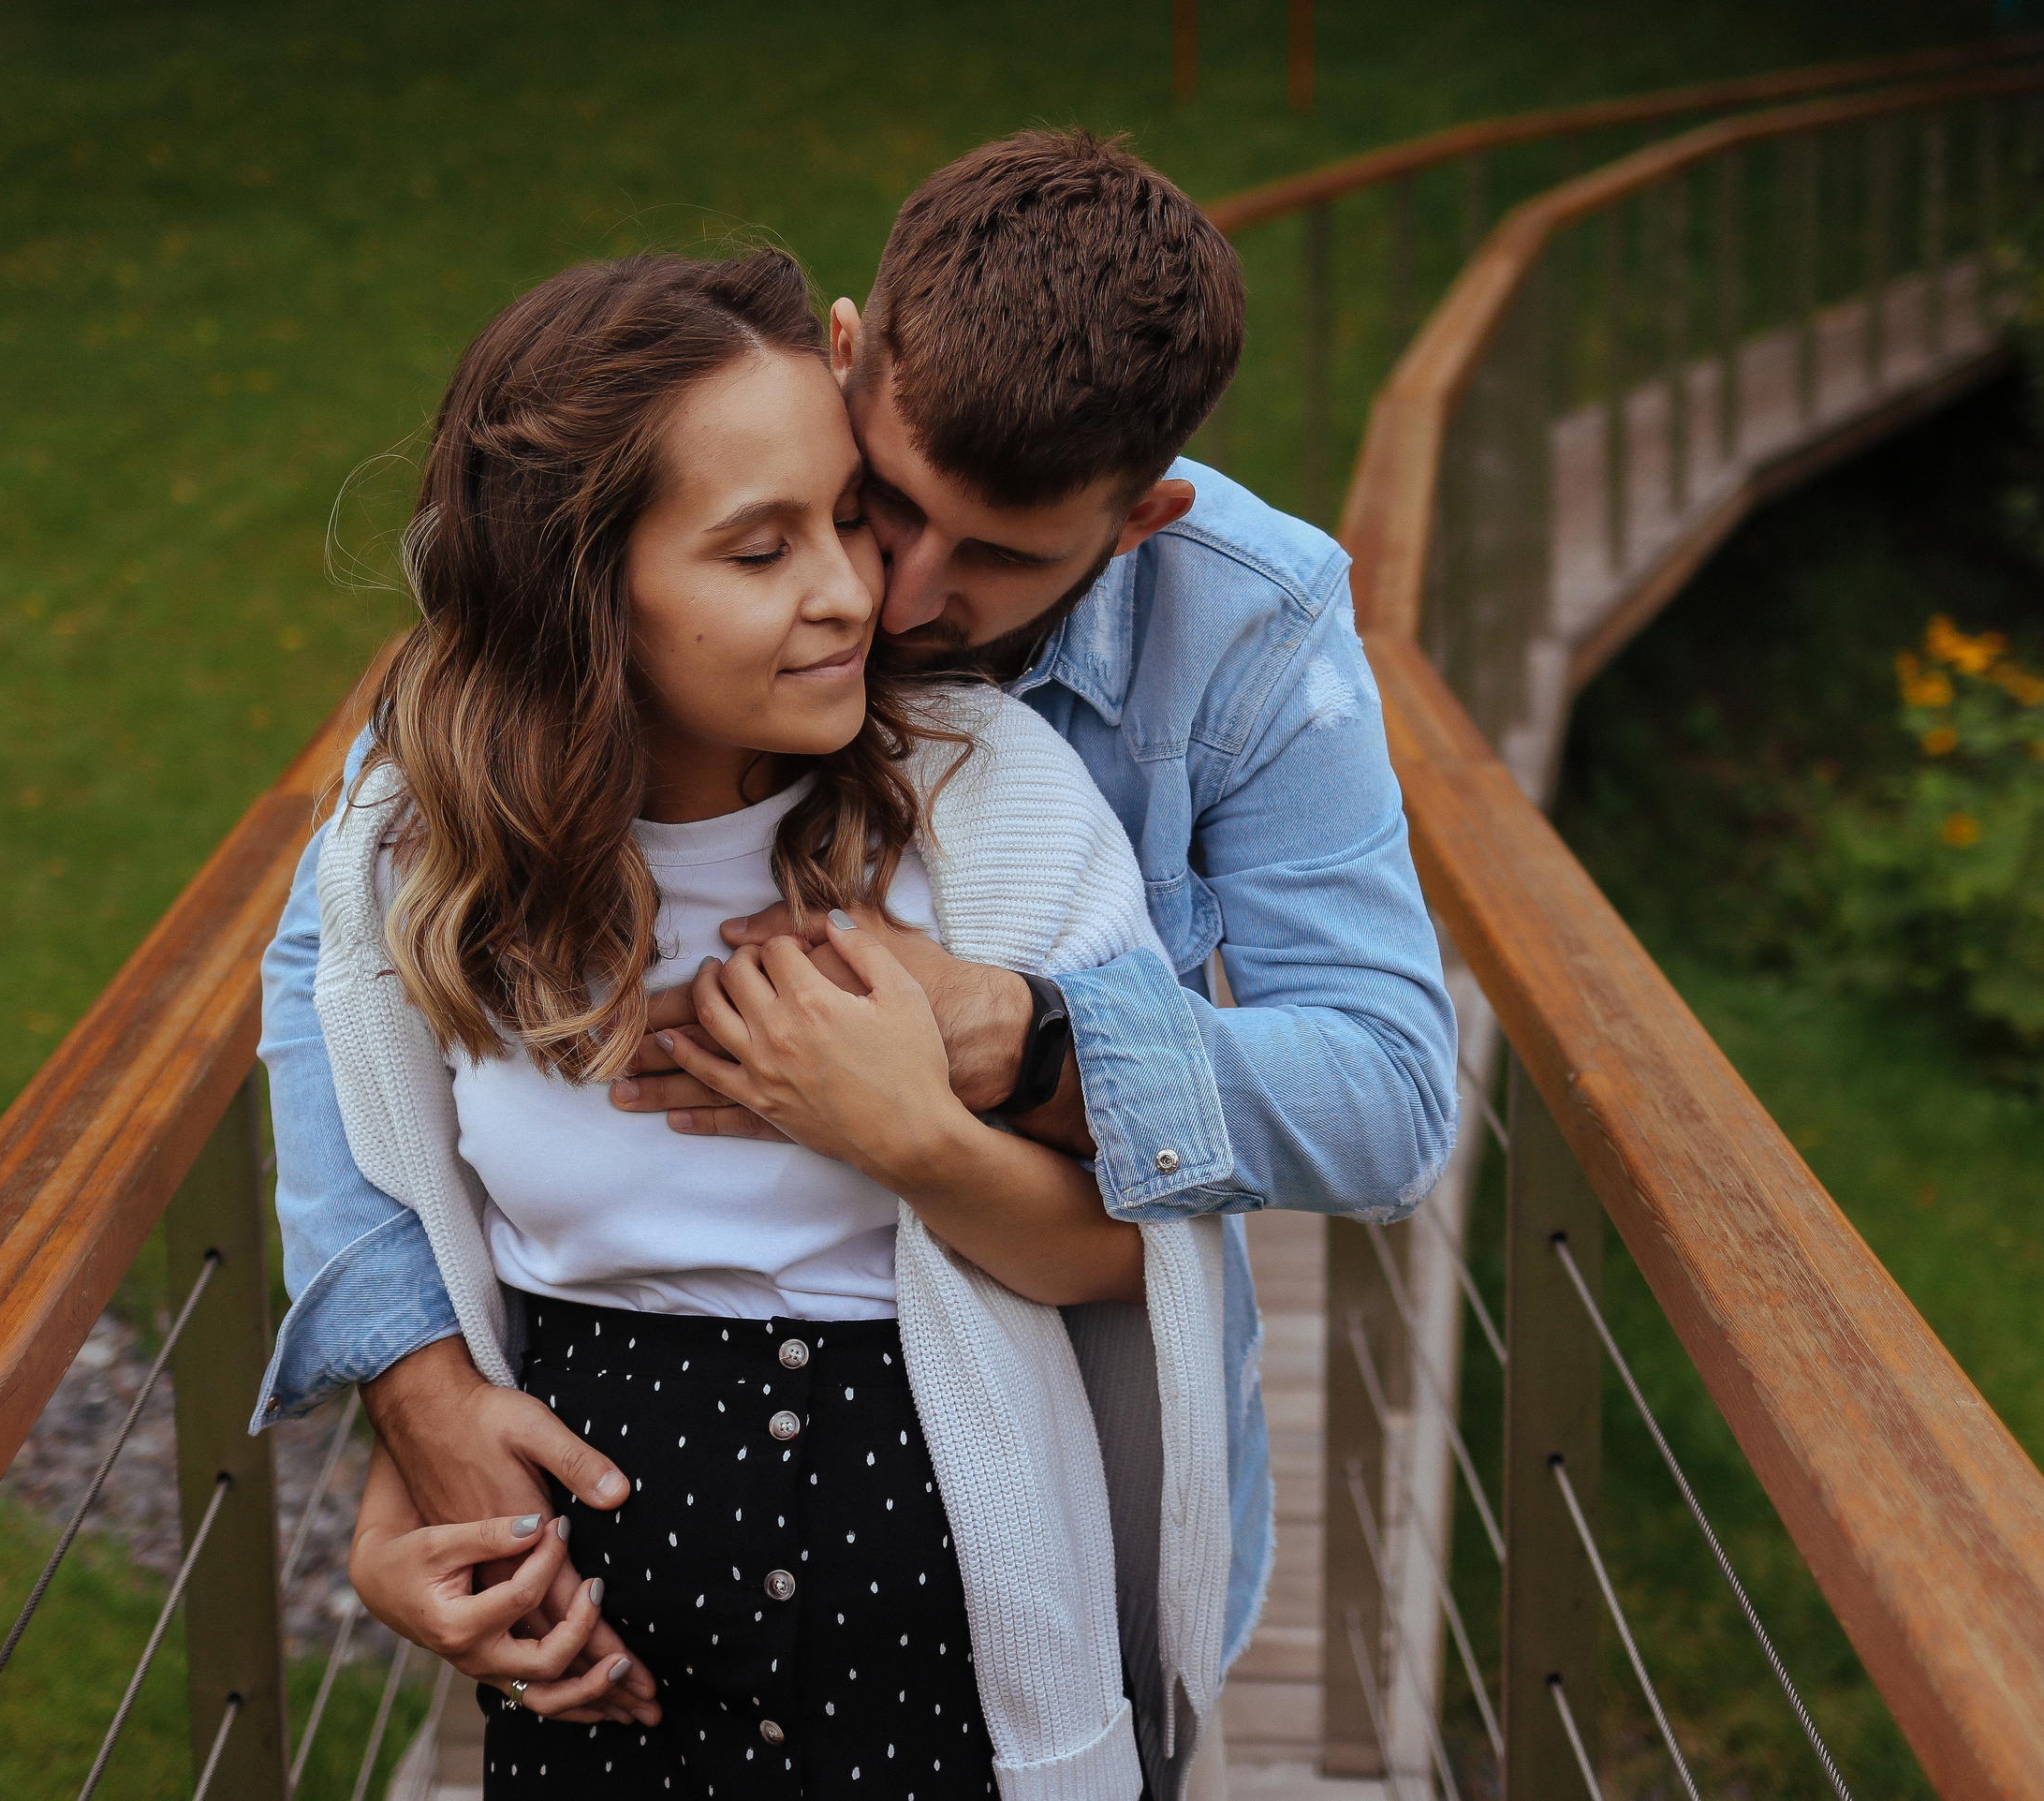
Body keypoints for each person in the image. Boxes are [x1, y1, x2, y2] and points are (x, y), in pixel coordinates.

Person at [256, 130, 1458, 1796]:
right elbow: (334, 975)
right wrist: (420, 1386)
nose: (891, 596)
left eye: (1001, 559)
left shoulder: (1226, 637)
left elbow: (1389, 1094)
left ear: (1139, 522)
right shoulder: (626, 581)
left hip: (1045, 1519)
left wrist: (1014, 1044)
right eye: (871, 508)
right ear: (843, 360)